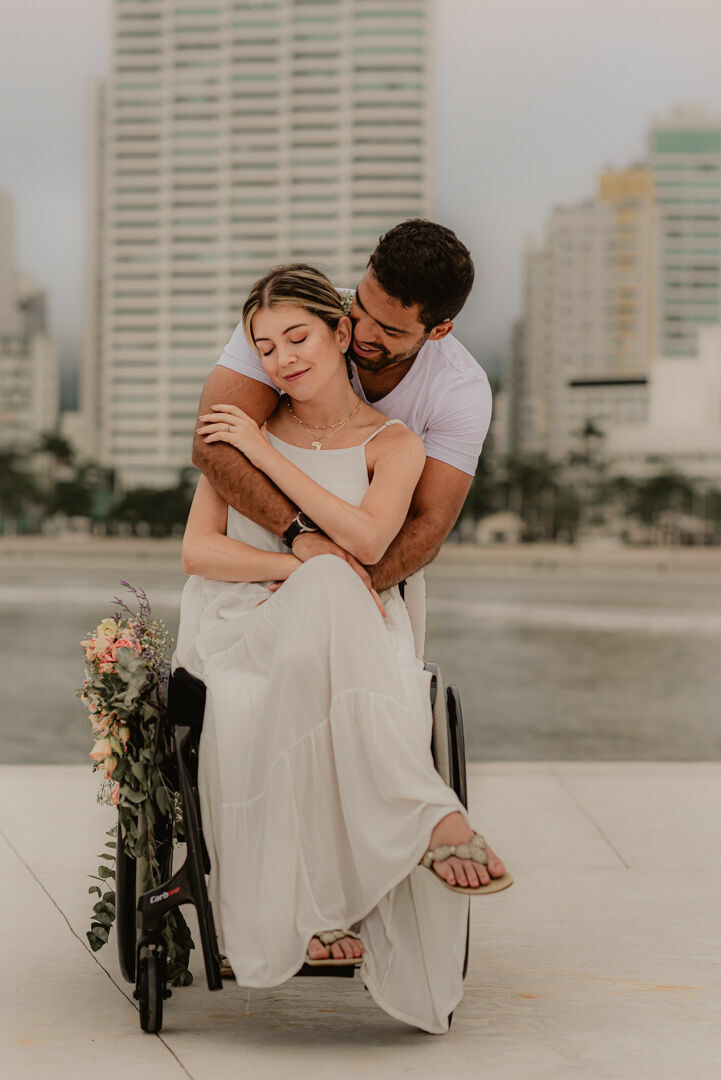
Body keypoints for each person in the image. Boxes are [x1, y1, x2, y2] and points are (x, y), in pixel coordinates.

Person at [174, 264, 512, 1036]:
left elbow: (366, 541)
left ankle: (324, 899)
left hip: (350, 625)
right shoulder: (238, 429)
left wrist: (267, 459)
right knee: (323, 585)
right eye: (264, 347)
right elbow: (200, 552)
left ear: (339, 337)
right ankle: (421, 816)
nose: (282, 358)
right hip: (243, 619)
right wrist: (295, 566)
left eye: (298, 337)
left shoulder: (395, 442)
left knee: (331, 589)